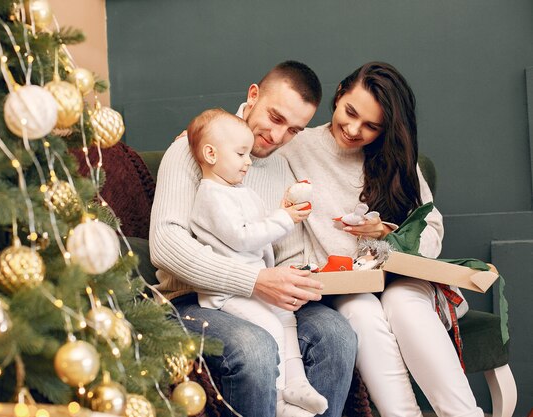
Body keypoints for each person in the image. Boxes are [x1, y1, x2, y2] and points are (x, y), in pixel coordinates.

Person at [149, 61, 357, 417]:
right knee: (254, 347)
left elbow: (283, 247)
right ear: (253, 95)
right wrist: (255, 280)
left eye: (293, 130)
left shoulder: (280, 164)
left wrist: (296, 278)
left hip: (261, 296)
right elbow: (166, 245)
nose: (277, 137)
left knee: (337, 335)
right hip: (191, 300)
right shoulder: (193, 150)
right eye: (275, 118)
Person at [278, 61, 483, 417]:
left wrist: (389, 234)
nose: (354, 130)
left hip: (405, 280)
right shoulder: (298, 147)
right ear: (339, 93)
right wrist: (199, 137)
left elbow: (431, 230)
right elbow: (251, 137)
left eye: (371, 126)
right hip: (347, 289)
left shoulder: (396, 159)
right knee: (361, 310)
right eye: (350, 112)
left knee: (402, 302)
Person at [187, 108, 328, 417]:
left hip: (256, 280)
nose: (248, 161)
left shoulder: (241, 192)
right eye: (240, 153)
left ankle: (298, 384)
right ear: (210, 154)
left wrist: (281, 211)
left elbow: (261, 233)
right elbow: (242, 238)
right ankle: (278, 403)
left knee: (286, 314)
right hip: (226, 292)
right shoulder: (210, 195)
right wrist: (284, 219)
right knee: (268, 329)